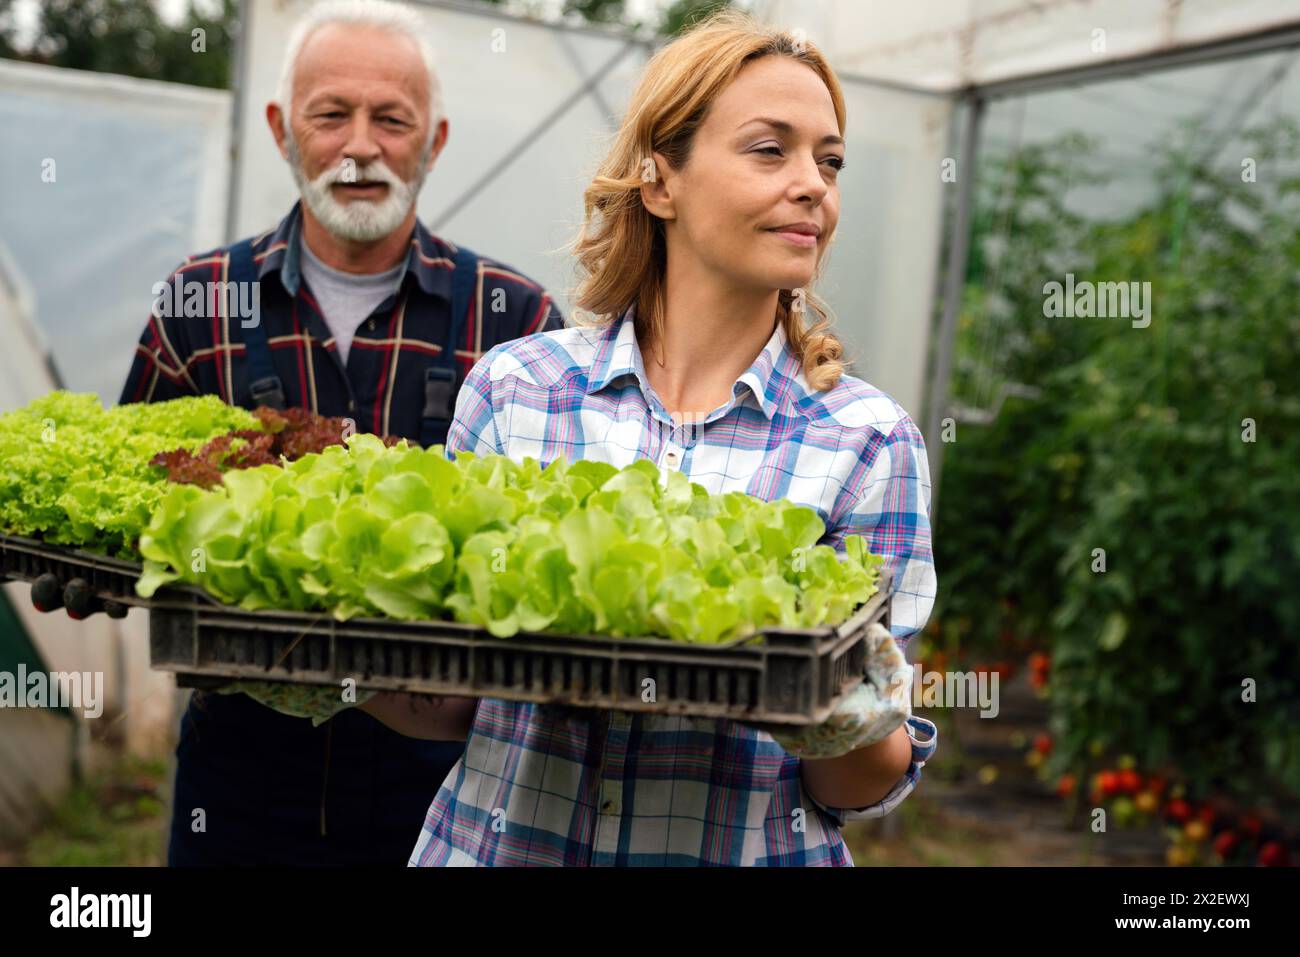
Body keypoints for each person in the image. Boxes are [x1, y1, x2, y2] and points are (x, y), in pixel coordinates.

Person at [361, 8, 939, 866]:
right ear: (660, 181)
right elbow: (452, 703)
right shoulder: (519, 390)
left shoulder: (869, 442)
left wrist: (821, 711)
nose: (814, 183)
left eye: (831, 159)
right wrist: (332, 655)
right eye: (769, 148)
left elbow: (861, 780)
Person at [114, 0, 563, 865]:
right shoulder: (201, 300)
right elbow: (130, 505)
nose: (362, 145)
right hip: (240, 767)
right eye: (332, 115)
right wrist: (90, 568)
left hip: (447, 778)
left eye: (392, 119)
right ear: (285, 129)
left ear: (433, 141)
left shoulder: (515, 319)